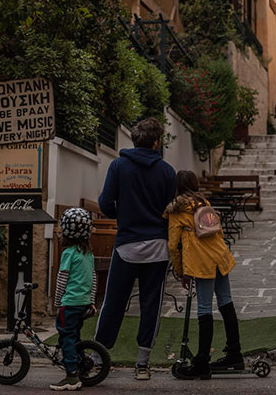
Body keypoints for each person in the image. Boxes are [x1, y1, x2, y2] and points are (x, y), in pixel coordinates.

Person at [94, 117, 176, 380]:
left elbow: (105, 203)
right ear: (156, 142)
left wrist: (124, 216)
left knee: (113, 302)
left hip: (127, 244)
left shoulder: (118, 167)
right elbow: (170, 211)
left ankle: (98, 356)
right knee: (151, 303)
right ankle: (142, 363)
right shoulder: (166, 171)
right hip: (157, 247)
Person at [164, 170, 243, 380]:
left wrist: (181, 271)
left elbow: (173, 246)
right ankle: (235, 352)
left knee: (205, 308)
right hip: (219, 256)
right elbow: (219, 231)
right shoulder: (203, 203)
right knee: (226, 303)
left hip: (201, 262)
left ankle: (201, 361)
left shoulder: (176, 210)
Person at [50, 208, 97, 391]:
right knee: (75, 336)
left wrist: (57, 301)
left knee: (66, 336)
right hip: (83, 303)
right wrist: (91, 300)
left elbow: (62, 279)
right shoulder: (88, 253)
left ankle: (71, 375)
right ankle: (80, 365)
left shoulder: (68, 253)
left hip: (69, 303)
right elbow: (93, 278)